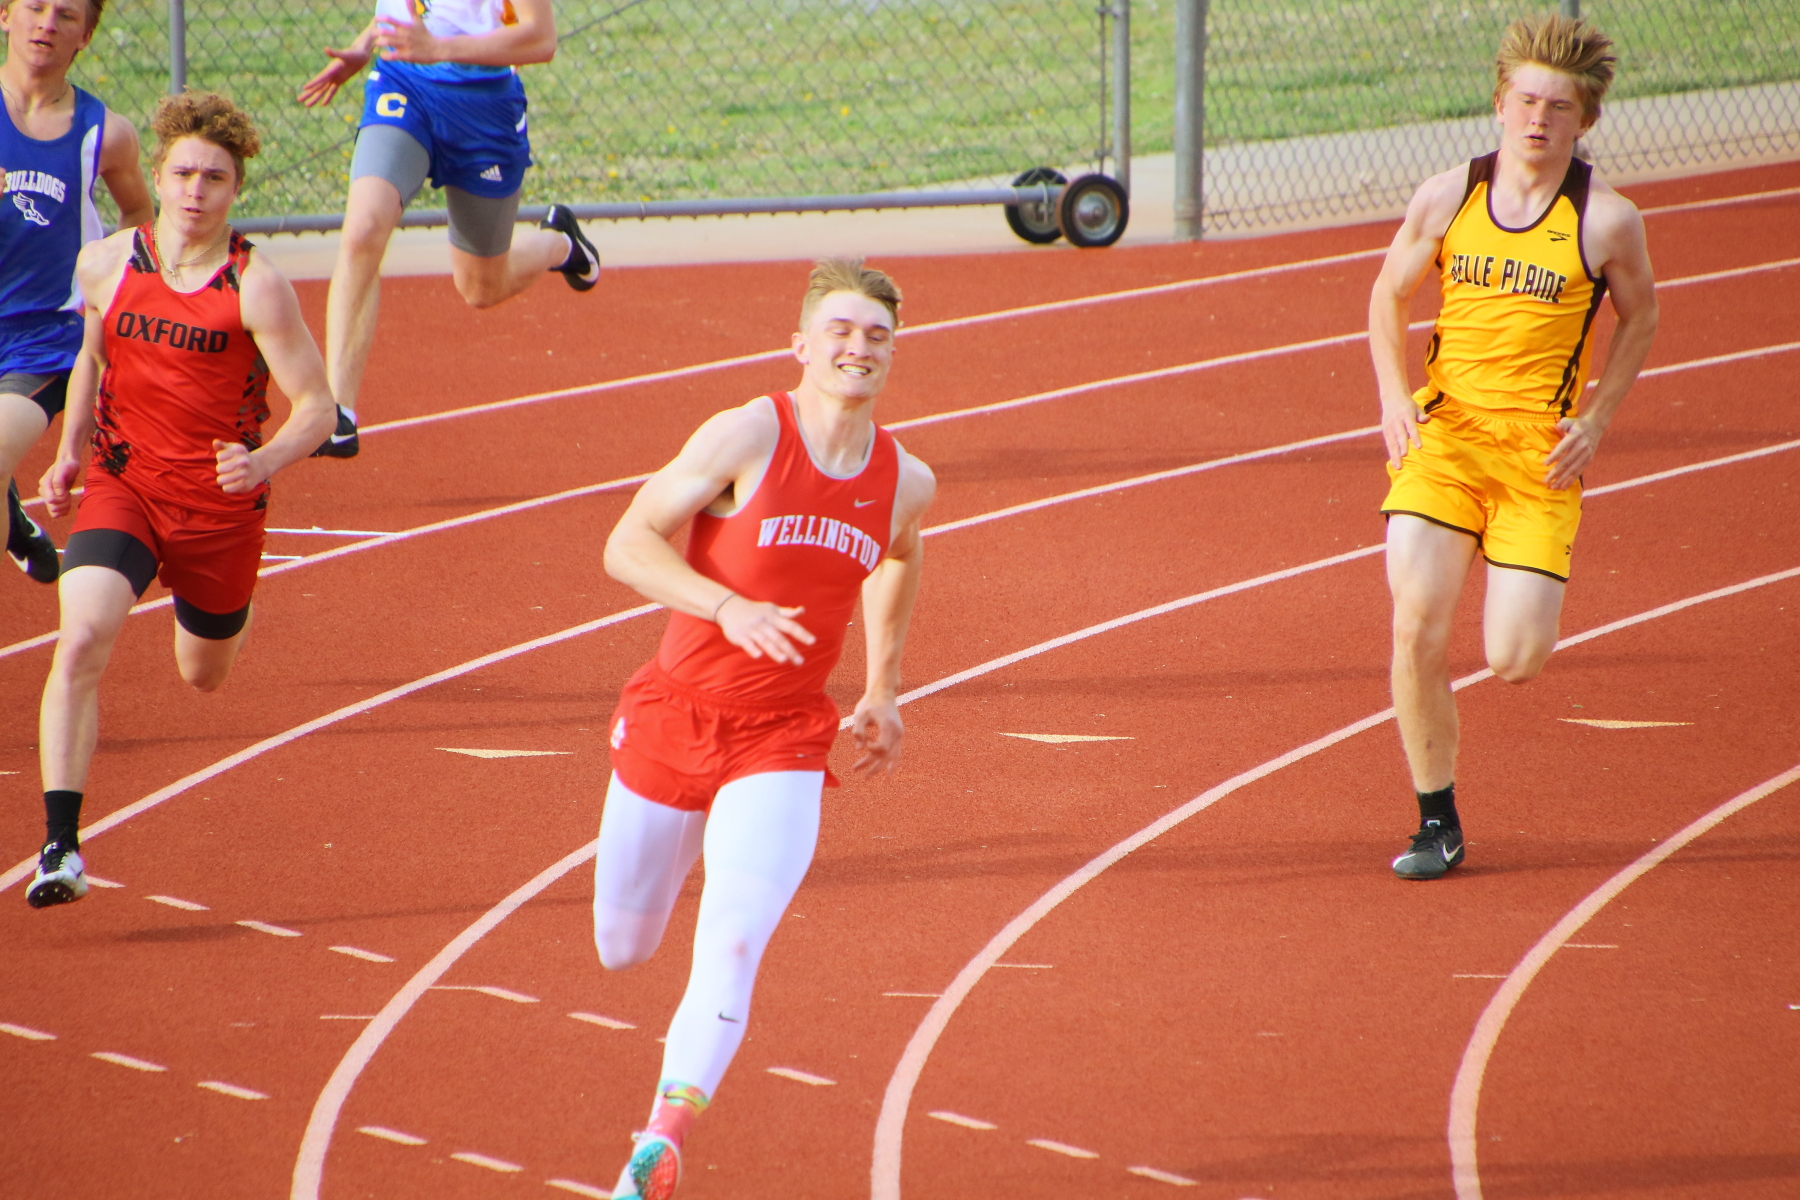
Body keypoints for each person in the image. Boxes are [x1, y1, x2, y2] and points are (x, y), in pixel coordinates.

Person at [593, 258, 936, 1200]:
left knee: (735, 938)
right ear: (801, 344)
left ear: (892, 354)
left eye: (876, 335)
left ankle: (659, 1141)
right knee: (622, 947)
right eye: (841, 329)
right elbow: (626, 541)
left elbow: (901, 557)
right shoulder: (749, 433)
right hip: (674, 715)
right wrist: (722, 605)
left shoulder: (904, 477)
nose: (857, 347)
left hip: (783, 736)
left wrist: (884, 687)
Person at [26, 92, 337, 908]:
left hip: (218, 510)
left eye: (217, 177)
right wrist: (69, 452)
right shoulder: (107, 264)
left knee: (203, 673)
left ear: (236, 190)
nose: (197, 190)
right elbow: (93, 351)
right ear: (158, 176)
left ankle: (221, 609)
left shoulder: (256, 286)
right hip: (126, 486)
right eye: (185, 173)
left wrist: (262, 461)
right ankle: (61, 846)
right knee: (82, 637)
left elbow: (318, 406)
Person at [1368, 14, 1657, 881]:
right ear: (1499, 105)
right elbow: (1387, 296)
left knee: (1515, 660)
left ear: (1586, 121)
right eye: (1526, 100)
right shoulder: (1446, 195)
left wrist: (1598, 419)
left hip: (1538, 457)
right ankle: (1436, 822)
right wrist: (1392, 399)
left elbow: (1641, 316)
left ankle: (1512, 561)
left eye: (1558, 107)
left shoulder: (1606, 222)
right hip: (1447, 437)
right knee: (1416, 622)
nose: (1538, 119)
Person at [296, 0, 599, 458]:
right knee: (362, 231)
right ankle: (336, 414)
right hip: (404, 83)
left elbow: (541, 39)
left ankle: (559, 244)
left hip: (485, 107)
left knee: (481, 287)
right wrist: (365, 45)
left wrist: (439, 47)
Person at [1, 0, 152, 584]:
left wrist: (109, 289)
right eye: (34, 8)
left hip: (43, 340)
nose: (47, 24)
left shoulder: (104, 132)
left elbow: (137, 212)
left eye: (66, 15)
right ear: (6, 16)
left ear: (86, 35)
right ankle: (14, 522)